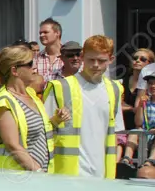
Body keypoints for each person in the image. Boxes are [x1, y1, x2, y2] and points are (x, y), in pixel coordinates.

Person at [43, 35, 123, 179]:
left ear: (111, 59)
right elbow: (42, 130)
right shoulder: (60, 87)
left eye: (101, 60)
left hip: (102, 174)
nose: (96, 65)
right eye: (91, 60)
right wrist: (55, 120)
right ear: (82, 57)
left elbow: (114, 133)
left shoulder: (115, 89)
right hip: (67, 174)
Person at [0, 46, 63, 173]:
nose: (35, 68)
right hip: (17, 181)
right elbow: (12, 145)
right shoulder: (4, 102)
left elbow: (37, 133)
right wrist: (38, 171)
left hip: (37, 179)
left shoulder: (31, 95)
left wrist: (55, 120)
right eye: (30, 64)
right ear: (15, 70)